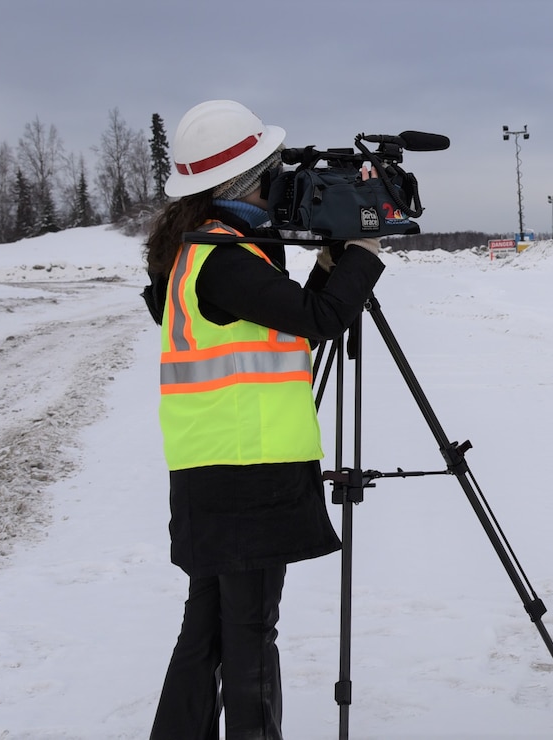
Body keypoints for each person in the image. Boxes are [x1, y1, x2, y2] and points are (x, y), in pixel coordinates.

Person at [142, 99, 384, 740]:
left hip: (214, 469)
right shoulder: (223, 258)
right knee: (248, 633)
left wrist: (331, 265)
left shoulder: (201, 251)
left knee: (210, 629)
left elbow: (287, 315)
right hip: (245, 472)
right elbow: (322, 319)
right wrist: (362, 250)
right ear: (245, 181)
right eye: (274, 168)